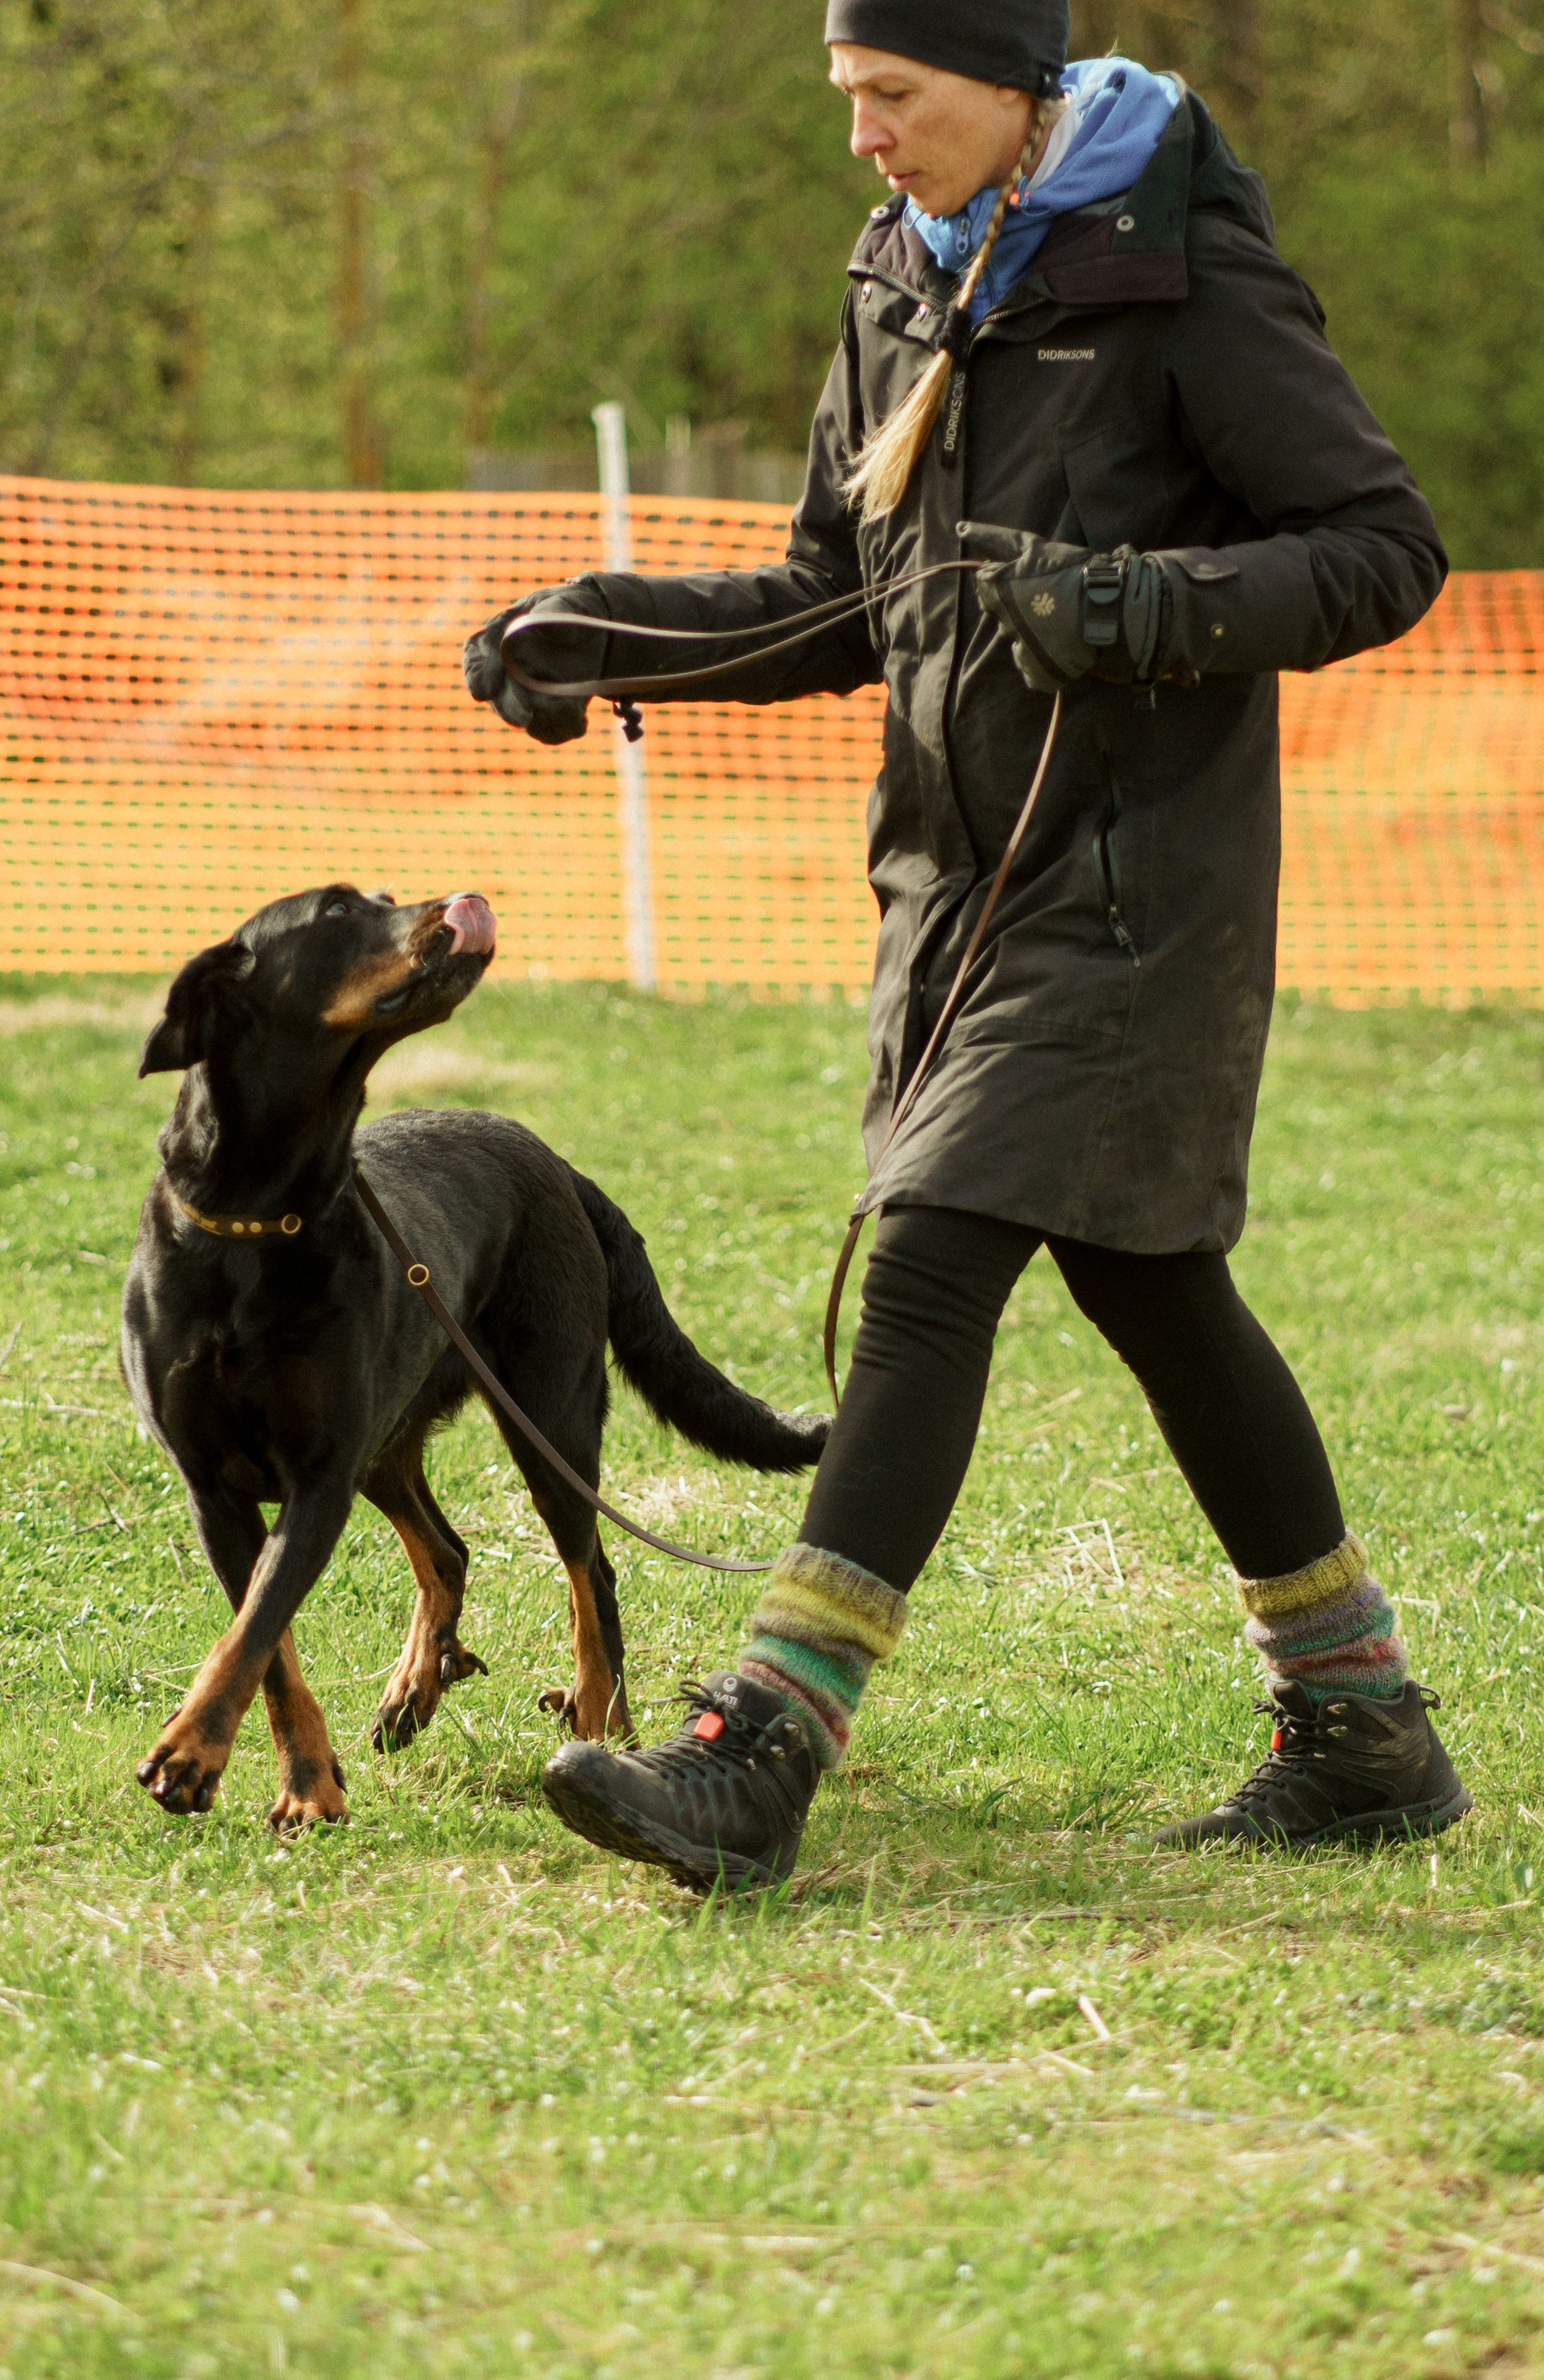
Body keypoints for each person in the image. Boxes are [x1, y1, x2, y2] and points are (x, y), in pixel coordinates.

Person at [463, 0, 1470, 1891]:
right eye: (848, 98)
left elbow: (1380, 548)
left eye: (897, 98)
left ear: (1014, 92)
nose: (868, 138)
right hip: (946, 892)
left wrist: (1136, 602)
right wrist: (609, 633)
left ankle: (762, 1748)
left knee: (928, 1269)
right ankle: (1362, 1727)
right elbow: (844, 601)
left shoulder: (1175, 273)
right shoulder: (900, 279)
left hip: (1135, 893)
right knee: (1153, 1288)